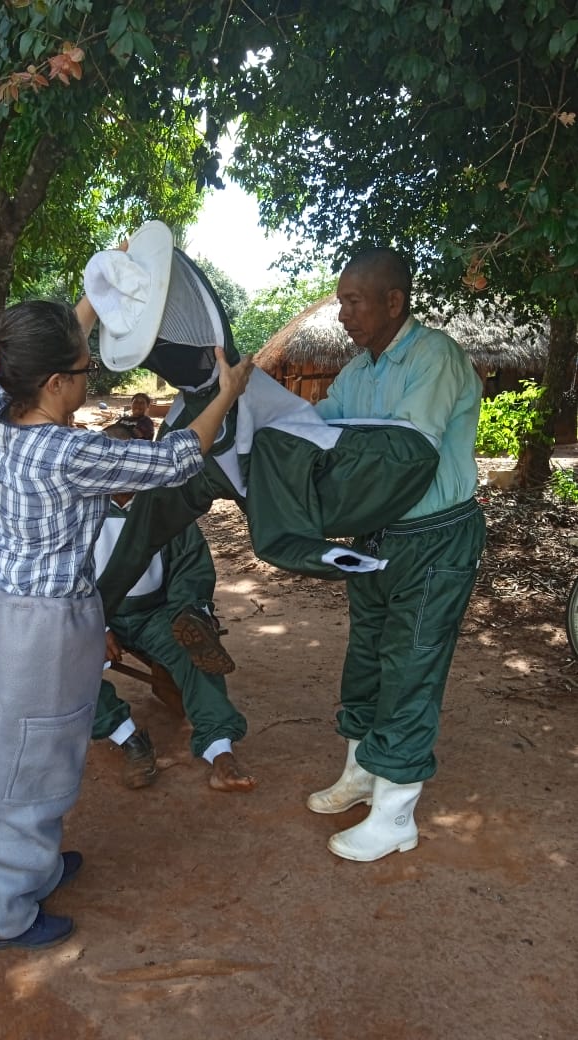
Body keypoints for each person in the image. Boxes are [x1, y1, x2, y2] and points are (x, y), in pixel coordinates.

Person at [0, 280, 253, 951]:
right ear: (56, 382)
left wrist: (91, 302)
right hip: (43, 631)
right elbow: (177, 457)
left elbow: (48, 352)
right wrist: (225, 394)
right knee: (35, 771)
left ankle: (37, 868)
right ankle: (2, 914)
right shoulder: (69, 453)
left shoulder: (1, 413)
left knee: (19, 750)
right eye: (86, 368)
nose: (93, 376)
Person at [307, 246, 486, 862]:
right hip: (378, 537)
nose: (344, 315)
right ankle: (361, 772)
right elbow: (320, 422)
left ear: (393, 301)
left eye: (354, 302)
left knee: (410, 666)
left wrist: (335, 460)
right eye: (340, 302)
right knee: (368, 658)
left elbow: (404, 447)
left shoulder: (432, 356)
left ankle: (395, 814)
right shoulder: (362, 369)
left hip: (435, 537)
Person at [91, 423, 254, 793]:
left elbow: (190, 567)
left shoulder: (161, 503)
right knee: (65, 663)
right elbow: (66, 576)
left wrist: (190, 611)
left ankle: (220, 750)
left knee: (196, 648)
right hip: (98, 615)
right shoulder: (81, 507)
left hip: (155, 613)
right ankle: (128, 738)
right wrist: (96, 625)